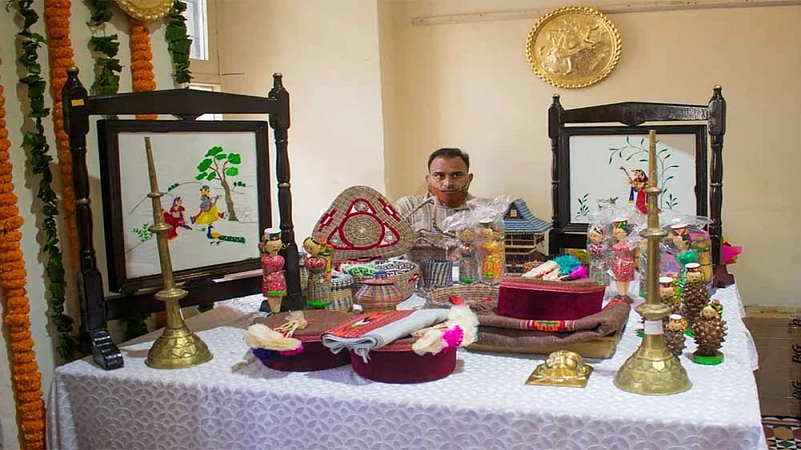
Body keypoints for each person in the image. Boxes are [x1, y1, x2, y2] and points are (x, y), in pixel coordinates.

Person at [394, 148, 479, 235]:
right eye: (439, 176)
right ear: (428, 179)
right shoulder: (408, 207)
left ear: (469, 178)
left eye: (456, 175)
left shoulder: (483, 211)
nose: (448, 183)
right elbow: (390, 240)